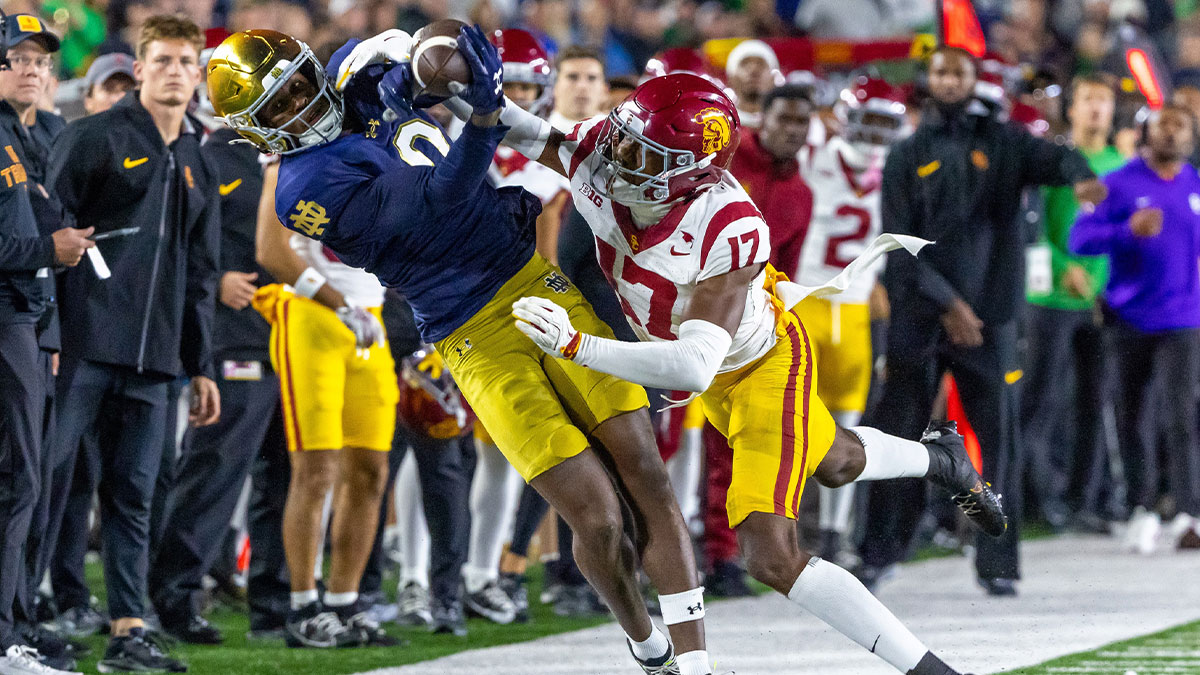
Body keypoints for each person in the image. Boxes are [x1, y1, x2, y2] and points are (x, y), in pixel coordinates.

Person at [206, 26, 713, 673]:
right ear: (258, 131)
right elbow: (441, 200)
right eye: (277, 108)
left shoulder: (352, 78)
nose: (299, 106)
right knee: (598, 515)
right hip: (469, 330)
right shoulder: (302, 187)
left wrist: (446, 57)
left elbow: (425, 58)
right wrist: (483, 111)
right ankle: (646, 642)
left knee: (644, 463)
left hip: (532, 277)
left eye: (299, 87)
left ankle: (696, 664)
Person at [488, 70, 1004, 675]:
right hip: (695, 363)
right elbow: (513, 125)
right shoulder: (607, 148)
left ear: (690, 170)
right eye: (623, 138)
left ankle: (933, 671)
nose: (619, 156)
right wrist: (430, 74)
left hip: (756, 364)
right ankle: (941, 458)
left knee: (771, 554)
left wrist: (578, 346)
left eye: (642, 152)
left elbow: (693, 367)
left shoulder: (726, 223)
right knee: (834, 461)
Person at [858, 45, 1104, 597]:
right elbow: (897, 245)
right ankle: (880, 552)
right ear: (928, 79)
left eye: (959, 71)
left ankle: (997, 565)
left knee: (1000, 445)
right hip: (921, 319)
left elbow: (1056, 158)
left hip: (990, 323)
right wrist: (948, 305)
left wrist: (1083, 175)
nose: (949, 79)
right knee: (896, 438)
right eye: (941, 71)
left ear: (974, 80)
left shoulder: (1005, 143)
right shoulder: (905, 155)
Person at [46, 15, 220, 673]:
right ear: (140, 69)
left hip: (154, 363)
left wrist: (198, 364)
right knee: (43, 483)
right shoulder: (92, 136)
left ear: (199, 74)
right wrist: (49, 336)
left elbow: (198, 273)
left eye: (186, 61)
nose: (176, 71)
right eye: (164, 60)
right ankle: (22, 615)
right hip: (82, 348)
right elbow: (47, 233)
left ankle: (128, 627)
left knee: (134, 494)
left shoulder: (196, 156)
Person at [148, 116, 286, 644]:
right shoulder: (210, 154)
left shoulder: (297, 152)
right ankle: (173, 595)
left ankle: (274, 603)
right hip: (234, 335)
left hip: (294, 336)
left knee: (286, 476)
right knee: (216, 468)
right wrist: (218, 275)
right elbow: (181, 237)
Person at [252, 158, 401, 648]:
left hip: (371, 320)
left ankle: (345, 601)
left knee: (371, 471)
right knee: (315, 469)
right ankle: (302, 605)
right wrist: (339, 304)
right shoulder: (293, 156)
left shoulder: (388, 147)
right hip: (311, 315)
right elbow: (272, 251)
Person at [0, 11, 93, 675]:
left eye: (41, 60)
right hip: (6, 319)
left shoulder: (24, 135)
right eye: (17, 57)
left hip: (26, 321)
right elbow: (24, 246)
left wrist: (50, 325)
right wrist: (46, 250)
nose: (32, 68)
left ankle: (18, 624)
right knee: (18, 480)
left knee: (25, 480)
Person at [1069, 103, 1200, 552]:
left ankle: (1188, 513)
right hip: (1128, 318)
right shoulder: (1119, 183)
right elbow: (1079, 238)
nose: (1170, 133)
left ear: (1190, 136)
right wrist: (1127, 230)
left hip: (1184, 319)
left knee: (1181, 416)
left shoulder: (1194, 183)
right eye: (1163, 125)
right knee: (1133, 416)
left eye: (1179, 126)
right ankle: (1141, 508)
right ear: (1146, 133)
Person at [793, 77, 910, 562]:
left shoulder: (898, 168)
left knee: (849, 431)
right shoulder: (811, 154)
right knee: (791, 425)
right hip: (805, 299)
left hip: (858, 310)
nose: (878, 132)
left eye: (888, 122)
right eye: (872, 119)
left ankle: (834, 534)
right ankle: (786, 529)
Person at [1022, 74, 1126, 533]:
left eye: (1104, 101)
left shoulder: (1121, 165)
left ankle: (1083, 500)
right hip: (1050, 299)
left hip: (1101, 303)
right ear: (1072, 108)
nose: (1096, 109)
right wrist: (1063, 266)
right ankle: (1028, 496)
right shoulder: (1056, 162)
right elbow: (1035, 227)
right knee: (1039, 400)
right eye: (1087, 99)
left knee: (1094, 401)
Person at [724, 39, 780, 129]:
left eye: (761, 64)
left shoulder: (787, 124)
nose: (754, 71)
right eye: (745, 64)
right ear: (731, 78)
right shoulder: (720, 121)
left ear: (773, 78)